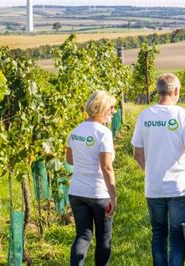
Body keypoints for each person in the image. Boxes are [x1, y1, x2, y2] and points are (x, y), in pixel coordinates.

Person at [131, 73, 185, 266]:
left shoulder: (144, 116)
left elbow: (137, 154)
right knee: (177, 236)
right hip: (179, 187)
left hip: (154, 187)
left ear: (158, 91)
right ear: (175, 90)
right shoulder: (183, 115)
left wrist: (151, 172)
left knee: (158, 235)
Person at [66, 90, 117, 266]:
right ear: (102, 107)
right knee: (104, 238)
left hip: (77, 192)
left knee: (82, 236)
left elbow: (69, 160)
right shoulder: (103, 133)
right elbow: (106, 167)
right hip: (98, 193)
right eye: (111, 107)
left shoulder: (74, 132)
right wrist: (113, 196)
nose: (113, 111)